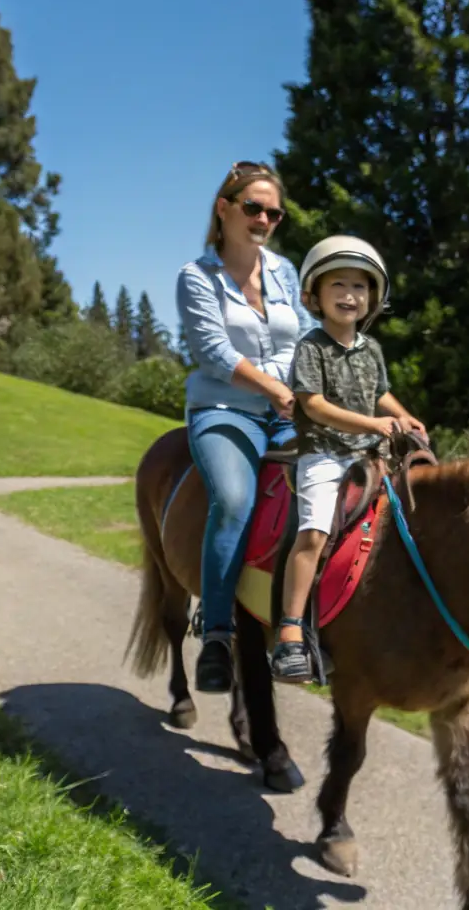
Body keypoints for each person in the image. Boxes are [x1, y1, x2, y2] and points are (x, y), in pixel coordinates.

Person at [176, 161, 318, 693]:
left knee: (329, 487)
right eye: (253, 207)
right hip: (224, 411)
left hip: (287, 411)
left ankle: (295, 628)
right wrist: (275, 390)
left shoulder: (284, 272)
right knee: (234, 500)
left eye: (273, 212)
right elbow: (212, 351)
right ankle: (216, 634)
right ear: (224, 208)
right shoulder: (197, 276)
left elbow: (307, 336)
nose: (263, 218)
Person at [270, 235, 426, 684]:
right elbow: (313, 404)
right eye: (337, 285)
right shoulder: (311, 347)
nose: (349, 295)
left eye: (359, 287)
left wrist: (402, 416)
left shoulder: (371, 349)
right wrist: (372, 424)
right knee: (315, 533)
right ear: (314, 295)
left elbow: (379, 393)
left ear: (371, 297)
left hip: (370, 455)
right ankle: (290, 632)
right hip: (324, 454)